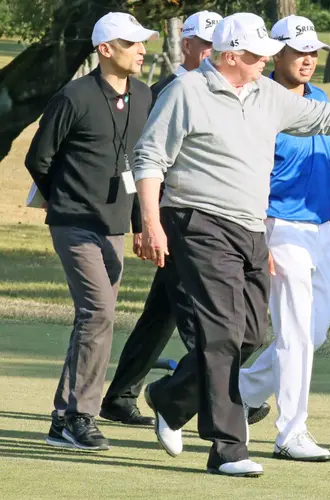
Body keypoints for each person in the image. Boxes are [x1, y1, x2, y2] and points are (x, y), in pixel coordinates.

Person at [132, 13, 330, 477]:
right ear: (232, 56)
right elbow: (149, 156)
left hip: (250, 228)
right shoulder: (187, 92)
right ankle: (228, 448)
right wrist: (150, 222)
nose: (266, 62)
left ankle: (171, 397)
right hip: (198, 220)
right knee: (222, 332)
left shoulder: (267, 95)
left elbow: (326, 117)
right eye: (259, 56)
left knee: (250, 334)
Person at [98, 10, 241, 428]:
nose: (218, 53)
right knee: (197, 311)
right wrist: (145, 222)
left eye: (222, 47)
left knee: (162, 310)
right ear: (188, 46)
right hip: (173, 220)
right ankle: (221, 398)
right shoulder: (162, 91)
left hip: (204, 218)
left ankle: (122, 395)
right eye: (209, 45)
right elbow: (138, 159)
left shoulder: (225, 93)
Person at [24, 12, 158, 451]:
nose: (141, 50)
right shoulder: (74, 96)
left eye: (142, 43)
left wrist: (141, 224)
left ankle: (62, 418)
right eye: (132, 43)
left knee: (93, 320)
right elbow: (38, 159)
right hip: (74, 223)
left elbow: (142, 167)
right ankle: (81, 414)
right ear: (105, 50)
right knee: (99, 313)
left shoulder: (143, 96)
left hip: (115, 226)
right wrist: (64, 201)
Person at [237, 15, 330, 462]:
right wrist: (259, 238)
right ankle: (290, 432)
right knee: (294, 334)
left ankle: (232, 391)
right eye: (299, 51)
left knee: (312, 334)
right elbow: (252, 174)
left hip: (320, 227)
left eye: (313, 51)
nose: (308, 59)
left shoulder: (320, 99)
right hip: (279, 225)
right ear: (274, 54)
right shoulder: (261, 102)